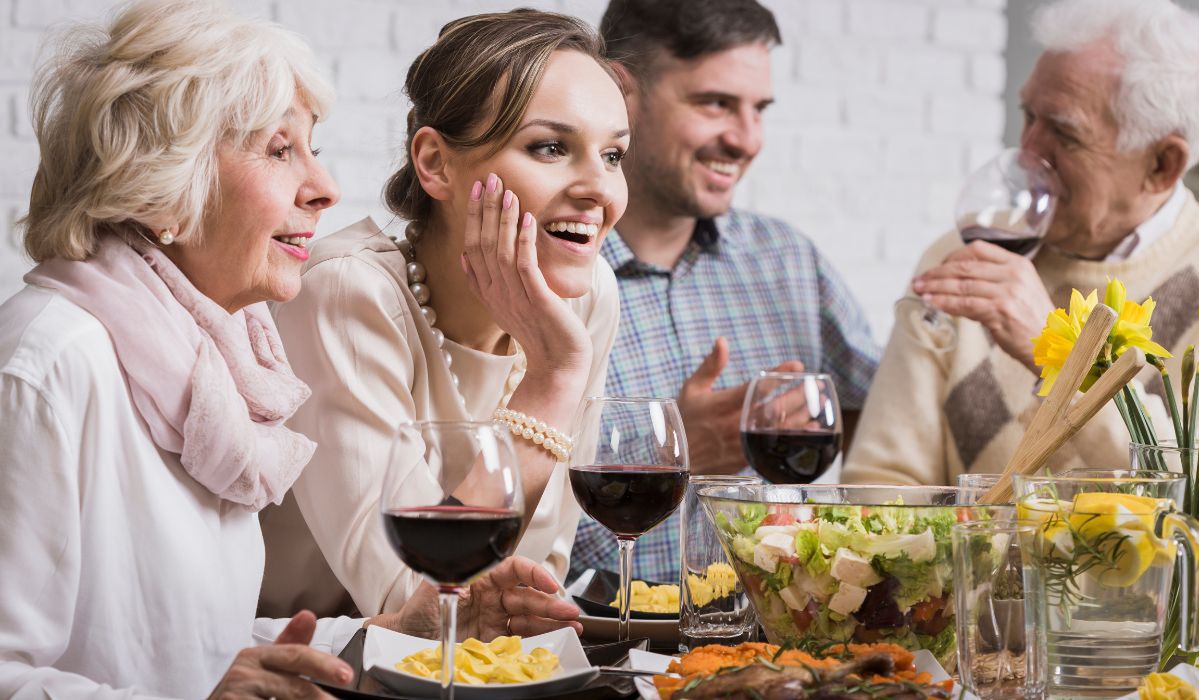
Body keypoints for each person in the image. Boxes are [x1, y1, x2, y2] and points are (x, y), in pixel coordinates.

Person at [0, 2, 579, 697]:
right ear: (157, 184)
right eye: (279, 150)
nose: (325, 190)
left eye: (314, 149)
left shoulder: (212, 359)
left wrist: (411, 625)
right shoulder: (47, 364)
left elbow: (183, 644)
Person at [258, 9, 627, 618]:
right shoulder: (345, 291)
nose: (601, 190)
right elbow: (425, 605)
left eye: (613, 155)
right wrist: (554, 377)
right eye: (551, 147)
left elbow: (530, 585)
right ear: (435, 164)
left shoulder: (587, 296)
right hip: (321, 670)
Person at [568, 0, 880, 584]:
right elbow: (493, 508)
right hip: (590, 652)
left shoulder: (787, 259)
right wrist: (674, 453)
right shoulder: (538, 270)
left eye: (758, 109)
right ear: (621, 93)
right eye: (715, 103)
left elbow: (879, 411)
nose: (746, 139)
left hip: (767, 651)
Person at [843, 0, 1199, 486]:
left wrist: (1060, 357)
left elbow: (1186, 500)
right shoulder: (963, 262)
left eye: (1063, 133)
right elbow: (881, 483)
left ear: (1162, 165)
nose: (1026, 151)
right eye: (1028, 115)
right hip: (966, 566)